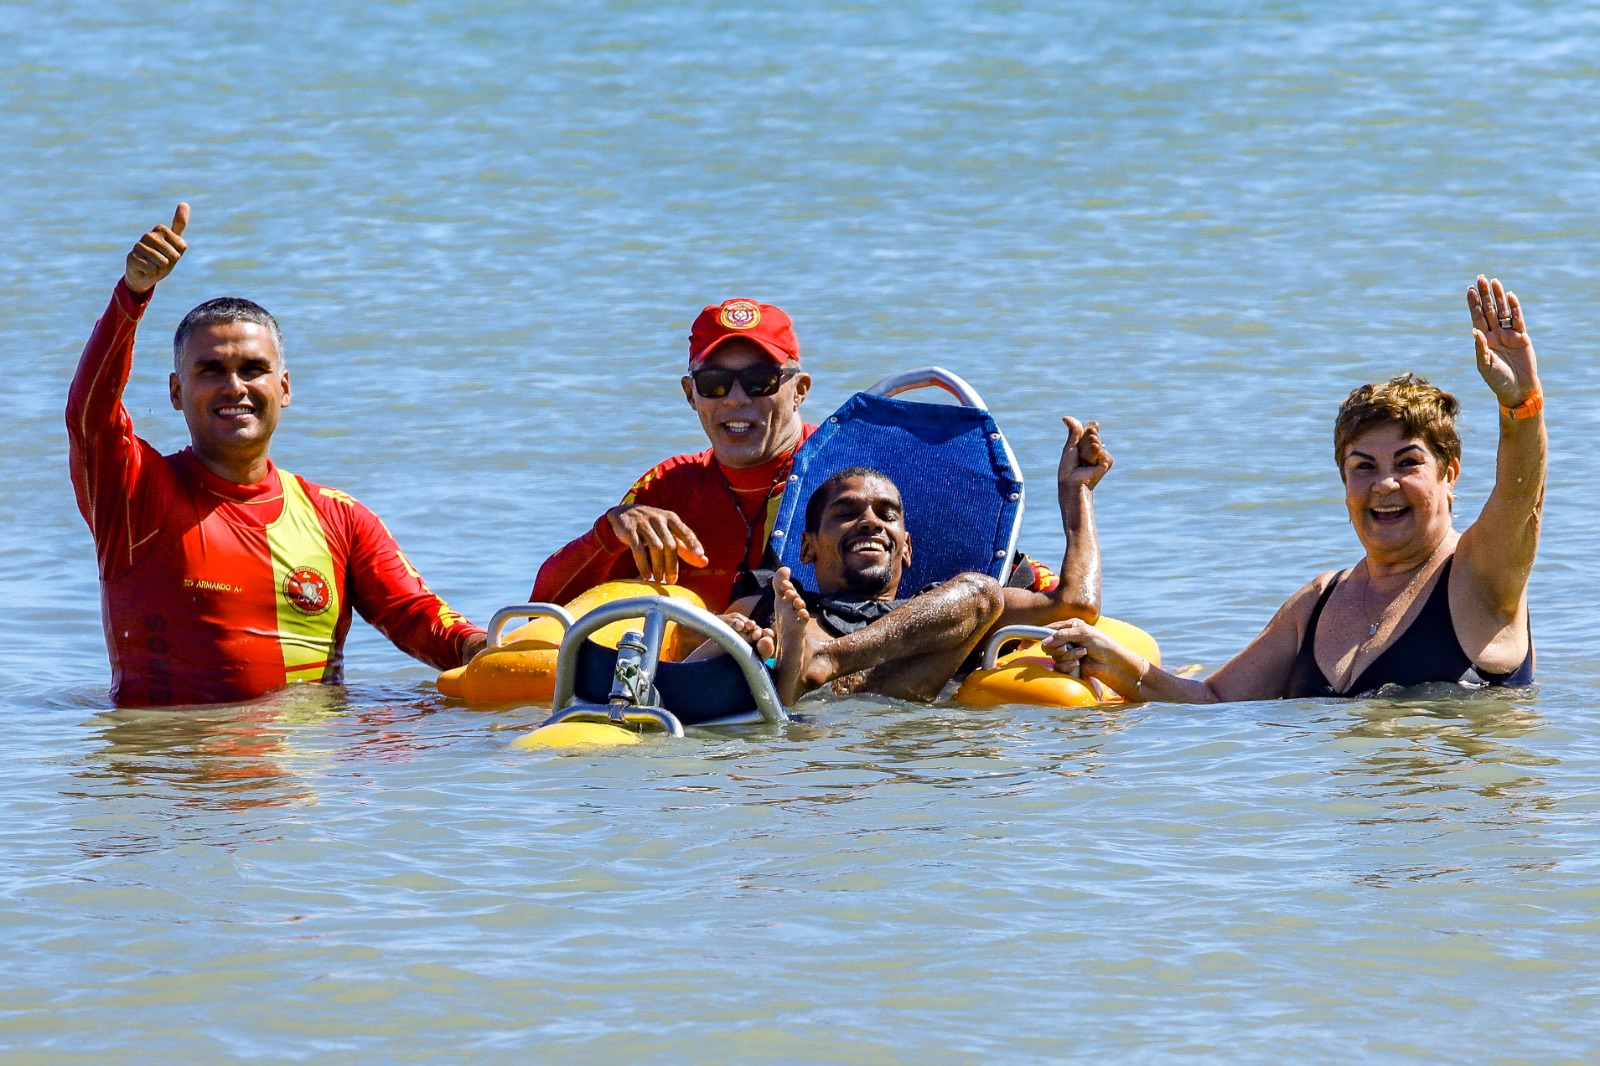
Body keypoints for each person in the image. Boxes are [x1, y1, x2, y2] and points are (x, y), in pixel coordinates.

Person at [1041, 275, 1544, 703]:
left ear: (1449, 474)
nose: (1384, 484)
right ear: (1344, 480)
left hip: (1454, 816)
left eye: (1408, 463)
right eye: (1362, 466)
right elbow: (1212, 702)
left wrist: (1521, 404)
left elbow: (1521, 498)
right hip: (1349, 818)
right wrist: (1107, 658)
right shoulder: (1318, 603)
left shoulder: (1481, 576)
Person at [67, 204, 487, 708]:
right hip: (174, 772)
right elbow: (90, 414)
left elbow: (415, 616)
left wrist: (485, 649)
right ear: (176, 391)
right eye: (211, 371)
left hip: (305, 774)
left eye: (253, 369)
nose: (235, 387)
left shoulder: (338, 517)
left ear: (283, 388)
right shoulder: (136, 496)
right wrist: (132, 296)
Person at [529, 299, 1063, 614]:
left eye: (761, 381)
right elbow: (547, 606)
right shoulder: (667, 486)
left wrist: (1060, 592)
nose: (737, 400)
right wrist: (609, 531)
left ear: (800, 389)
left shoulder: (851, 472)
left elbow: (997, 563)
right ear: (690, 395)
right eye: (715, 383)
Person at [703, 417, 1111, 704]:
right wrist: (725, 632)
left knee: (981, 593)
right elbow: (679, 663)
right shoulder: (770, 605)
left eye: (888, 515)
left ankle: (825, 661)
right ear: (807, 546)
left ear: (907, 547)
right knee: (771, 629)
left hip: (896, 704)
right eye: (846, 513)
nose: (869, 523)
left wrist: (1078, 494)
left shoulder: (946, 610)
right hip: (803, 715)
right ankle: (803, 664)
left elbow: (1076, 604)